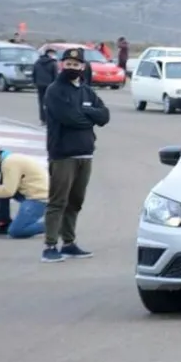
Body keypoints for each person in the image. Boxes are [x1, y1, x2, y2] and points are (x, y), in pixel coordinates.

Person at [42, 47, 110, 263]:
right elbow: (69, 119)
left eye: (76, 64)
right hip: (63, 155)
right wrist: (90, 117)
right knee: (57, 201)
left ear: (83, 67)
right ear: (62, 65)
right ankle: (50, 246)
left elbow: (105, 116)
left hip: (85, 154)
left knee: (75, 201)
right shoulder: (54, 90)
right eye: (68, 64)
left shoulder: (86, 91)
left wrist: (87, 113)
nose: (72, 67)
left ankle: (69, 243)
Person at [0, 144, 48, 239]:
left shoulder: (10, 163)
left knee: (16, 231)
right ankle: (4, 224)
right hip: (32, 192)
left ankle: (54, 225)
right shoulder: (8, 159)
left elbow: (8, 191)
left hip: (39, 198)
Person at [32, 47, 59, 125]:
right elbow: (55, 75)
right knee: (50, 102)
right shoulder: (53, 63)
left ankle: (43, 119)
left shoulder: (38, 62)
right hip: (50, 86)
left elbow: (34, 73)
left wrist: (34, 82)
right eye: (52, 53)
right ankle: (49, 119)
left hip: (40, 84)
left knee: (41, 102)